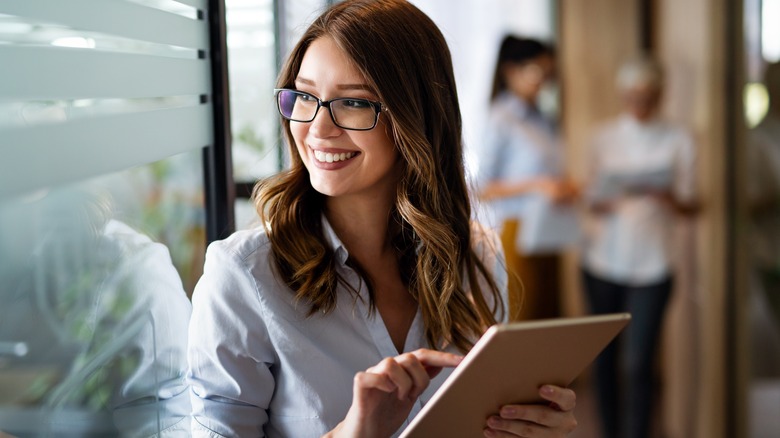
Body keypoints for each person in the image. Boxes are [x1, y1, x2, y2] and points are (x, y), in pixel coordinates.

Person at [186, 1, 578, 437]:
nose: (317, 129)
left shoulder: (478, 256)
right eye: (304, 96)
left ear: (417, 116)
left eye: (353, 102)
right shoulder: (244, 275)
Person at [580, 55, 698, 438]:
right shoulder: (603, 138)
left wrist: (668, 198)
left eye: (647, 95)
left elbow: (694, 203)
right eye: (632, 95)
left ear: (660, 94)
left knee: (638, 362)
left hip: (655, 264)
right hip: (602, 261)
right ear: (622, 95)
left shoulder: (679, 138)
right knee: (606, 359)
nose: (640, 102)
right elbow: (587, 196)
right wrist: (605, 197)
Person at [475, 36, 578, 321]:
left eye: (548, 73)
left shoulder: (542, 119)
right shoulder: (502, 118)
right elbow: (483, 188)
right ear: (510, 71)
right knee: (522, 317)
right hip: (516, 230)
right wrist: (539, 185)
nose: (543, 81)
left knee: (548, 318)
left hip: (549, 227)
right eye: (536, 71)